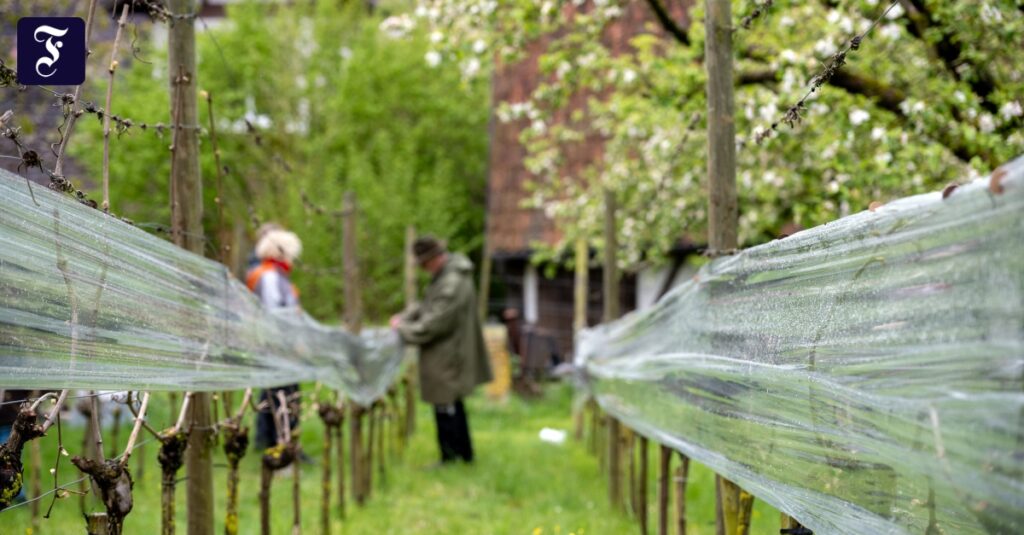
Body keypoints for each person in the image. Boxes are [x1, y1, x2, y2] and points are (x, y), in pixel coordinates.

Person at [390, 236, 492, 464]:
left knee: (447, 405)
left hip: (448, 353)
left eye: (425, 264)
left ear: (435, 258)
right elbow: (427, 305)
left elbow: (436, 321)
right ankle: (461, 456)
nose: (425, 269)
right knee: (449, 404)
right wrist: (405, 318)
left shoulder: (451, 282)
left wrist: (403, 331)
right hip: (446, 351)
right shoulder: (445, 276)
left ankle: (452, 457)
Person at [246, 228, 302, 450]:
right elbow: (275, 313)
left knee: (274, 392)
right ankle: (282, 444)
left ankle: (270, 441)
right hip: (277, 346)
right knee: (283, 395)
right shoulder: (269, 276)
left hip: (274, 344)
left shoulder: (274, 275)